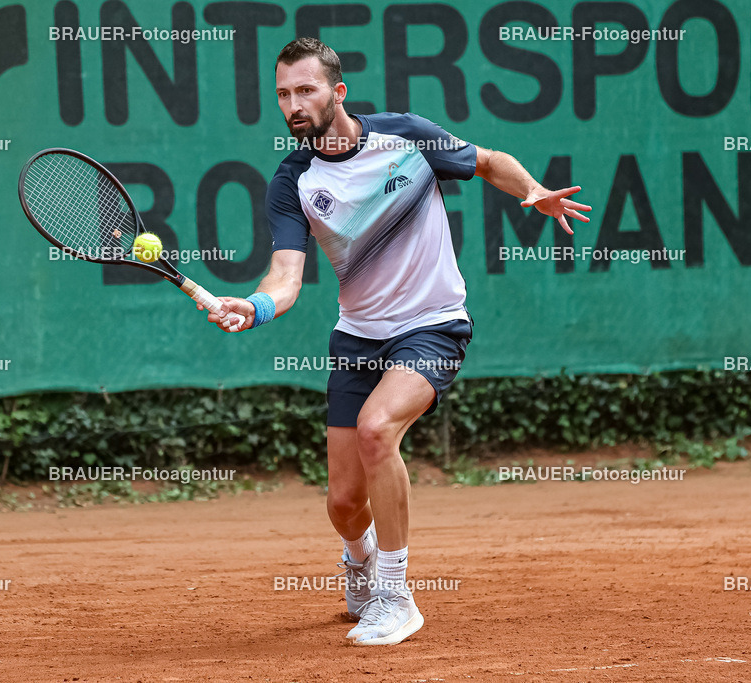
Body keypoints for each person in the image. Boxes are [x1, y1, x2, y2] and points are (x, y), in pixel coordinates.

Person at [204, 37, 591, 645]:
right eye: (283, 94)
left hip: (433, 323)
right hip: (358, 337)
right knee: (342, 505)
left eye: (306, 90)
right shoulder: (293, 181)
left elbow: (487, 161)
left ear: (338, 92)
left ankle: (396, 594)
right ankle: (357, 563)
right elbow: (285, 277)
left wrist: (532, 192)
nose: (293, 105)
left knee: (377, 429)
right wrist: (251, 307)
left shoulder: (406, 136)